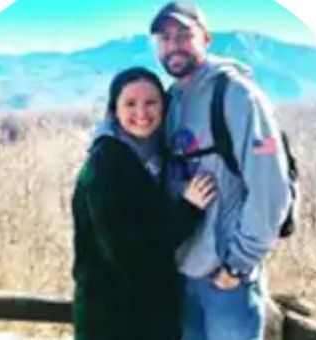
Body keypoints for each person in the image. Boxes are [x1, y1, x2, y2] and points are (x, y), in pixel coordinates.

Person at [150, 3, 292, 340]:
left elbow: (271, 190)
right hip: (184, 276)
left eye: (184, 35)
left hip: (227, 284)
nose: (174, 45)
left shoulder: (237, 96)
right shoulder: (170, 100)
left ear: (206, 38)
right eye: (165, 37)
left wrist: (237, 265)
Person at [71, 67, 217, 340]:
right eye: (130, 104)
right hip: (113, 317)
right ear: (114, 110)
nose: (142, 113)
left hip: (147, 311)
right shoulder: (107, 164)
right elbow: (126, 250)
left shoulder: (152, 156)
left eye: (151, 102)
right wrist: (188, 209)